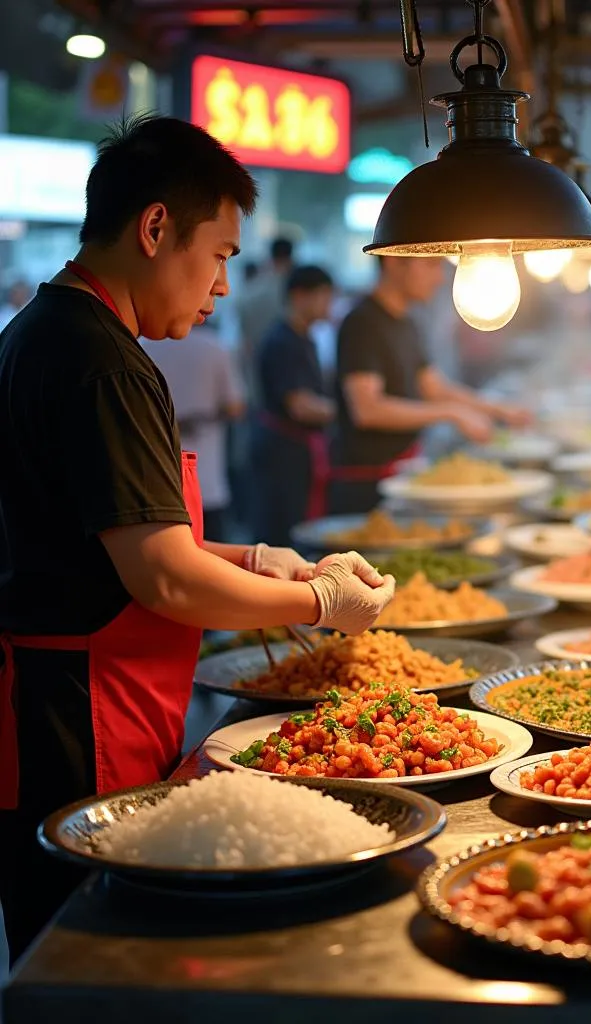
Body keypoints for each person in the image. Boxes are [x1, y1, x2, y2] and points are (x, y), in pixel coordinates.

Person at [0, 115, 395, 964]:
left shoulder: (58, 333)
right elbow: (164, 580)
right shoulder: (99, 360)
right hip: (72, 719)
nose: (222, 284)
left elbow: (119, 535)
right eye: (218, 253)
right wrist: (321, 602)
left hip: (77, 700)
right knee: (86, 961)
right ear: (154, 229)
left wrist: (253, 559)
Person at [331, 255, 530, 514]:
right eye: (431, 264)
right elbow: (368, 409)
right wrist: (452, 413)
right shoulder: (362, 323)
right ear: (393, 261)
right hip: (365, 487)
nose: (439, 277)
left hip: (401, 474)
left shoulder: (407, 323)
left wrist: (499, 409)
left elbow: (435, 388)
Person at [251, 265, 337, 546]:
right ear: (299, 297)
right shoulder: (282, 341)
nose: (330, 304)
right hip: (283, 454)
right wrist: (347, 413)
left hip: (298, 451)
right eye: (325, 296)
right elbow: (299, 405)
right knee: (284, 533)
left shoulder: (306, 338)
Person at [141, 318, 245, 542]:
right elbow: (236, 407)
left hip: (156, 485)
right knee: (215, 558)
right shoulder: (215, 347)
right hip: (208, 482)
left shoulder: (143, 347)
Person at [238, 236, 294, 404]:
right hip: (288, 375)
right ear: (291, 257)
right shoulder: (293, 291)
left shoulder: (251, 290)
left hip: (255, 372)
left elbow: (245, 341)